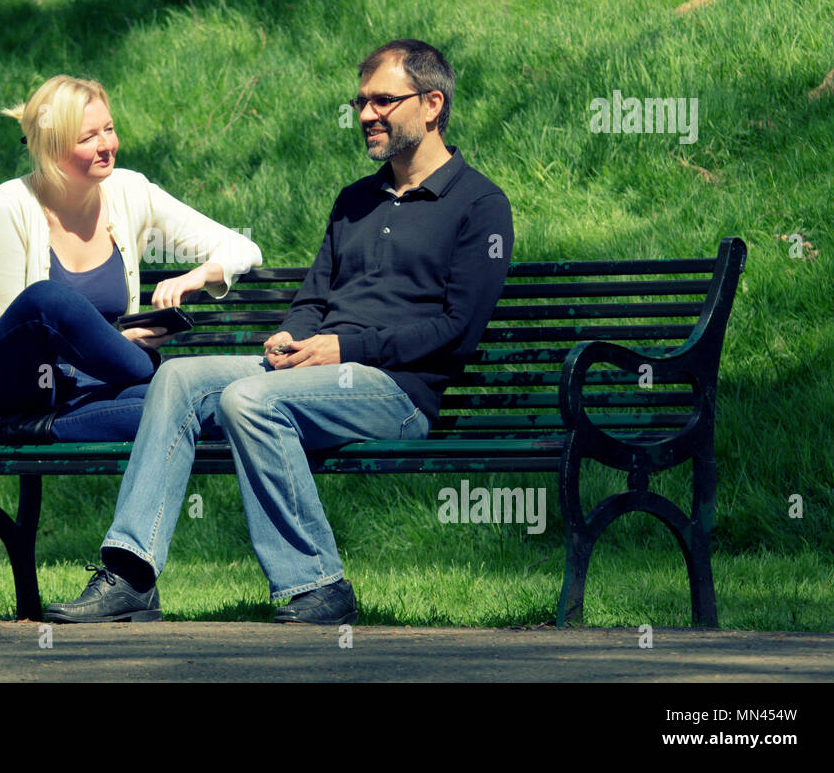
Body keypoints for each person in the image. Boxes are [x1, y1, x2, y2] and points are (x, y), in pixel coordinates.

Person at [44, 39, 514, 624]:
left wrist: (345, 348)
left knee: (249, 399)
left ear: (432, 104)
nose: (366, 115)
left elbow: (457, 332)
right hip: (317, 370)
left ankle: (318, 583)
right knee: (180, 380)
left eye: (384, 101)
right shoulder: (355, 201)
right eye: (361, 102)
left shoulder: (479, 206)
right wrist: (291, 334)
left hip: (398, 390)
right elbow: (314, 298)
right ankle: (132, 575)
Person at [0, 75, 262, 448]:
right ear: (52, 148)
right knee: (48, 301)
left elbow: (241, 247)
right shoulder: (9, 204)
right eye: (88, 138)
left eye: (109, 129)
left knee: (183, 407)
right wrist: (117, 343)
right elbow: (7, 332)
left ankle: (20, 429)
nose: (107, 145)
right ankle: (147, 371)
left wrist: (198, 276)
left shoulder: (130, 191)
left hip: (84, 382)